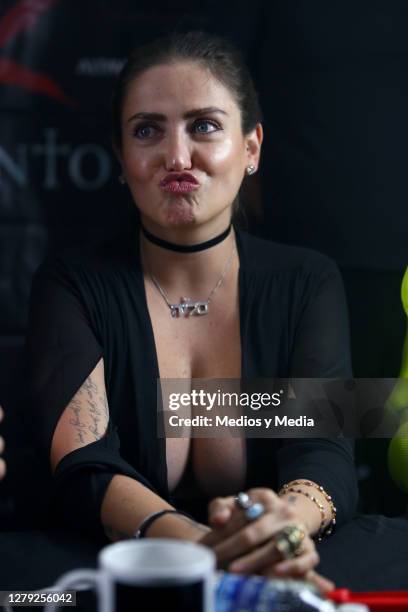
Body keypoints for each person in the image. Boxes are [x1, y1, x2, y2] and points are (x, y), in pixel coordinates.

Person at [25, 31, 408, 592]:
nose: (177, 156)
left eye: (204, 125)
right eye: (148, 130)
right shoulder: (72, 283)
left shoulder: (308, 279)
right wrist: (204, 552)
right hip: (121, 558)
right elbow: (86, 466)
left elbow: (322, 455)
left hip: (278, 556)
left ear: (251, 148)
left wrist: (283, 533)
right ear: (121, 155)